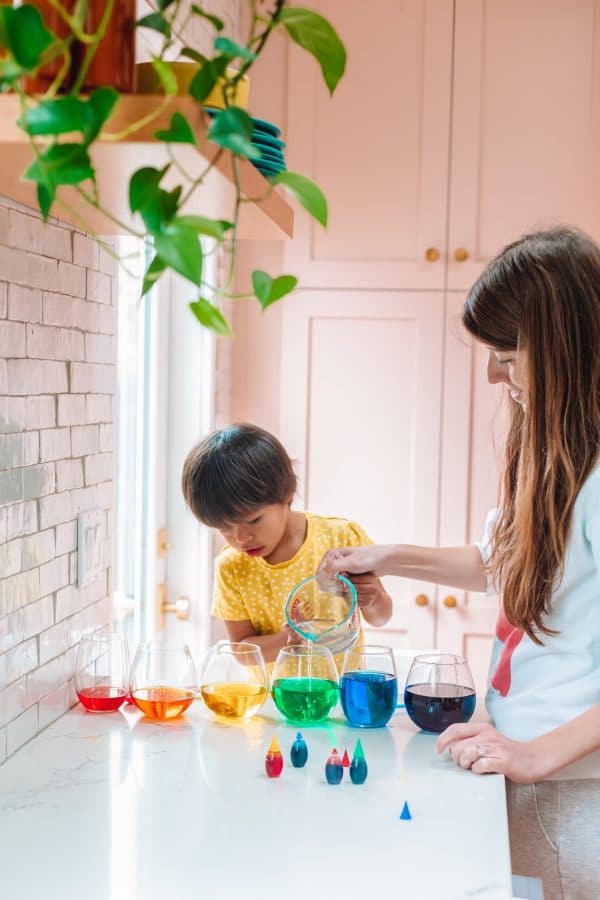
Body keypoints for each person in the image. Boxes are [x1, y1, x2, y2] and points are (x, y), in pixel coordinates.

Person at [318, 228, 600, 899]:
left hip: (570, 786)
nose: (492, 375)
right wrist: (387, 555)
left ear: (564, 347)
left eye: (506, 355)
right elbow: (501, 565)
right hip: (535, 767)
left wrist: (534, 752)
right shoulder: (560, 454)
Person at [181, 423, 392, 664]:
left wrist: (373, 598)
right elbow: (241, 651)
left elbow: (381, 617)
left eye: (253, 521)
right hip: (277, 698)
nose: (240, 539)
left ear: (289, 491)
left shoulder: (342, 538)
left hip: (344, 694)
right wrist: (289, 638)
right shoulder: (231, 566)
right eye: (224, 527)